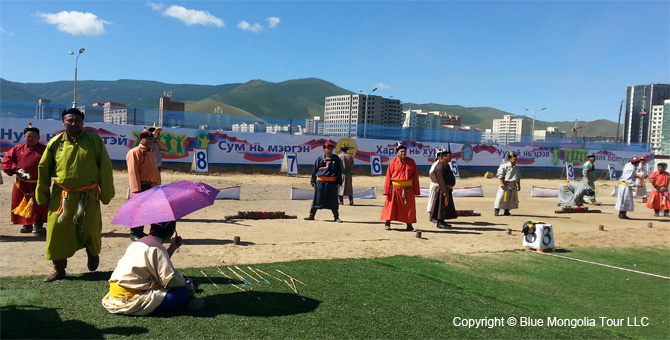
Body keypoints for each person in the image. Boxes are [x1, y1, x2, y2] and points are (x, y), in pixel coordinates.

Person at [35, 108, 115, 282]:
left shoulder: (94, 140)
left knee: (90, 228)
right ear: (63, 122)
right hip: (62, 196)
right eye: (70, 120)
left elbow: (105, 166)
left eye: (77, 120)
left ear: (83, 123)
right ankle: (59, 269)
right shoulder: (56, 142)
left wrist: (106, 192)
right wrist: (42, 194)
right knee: (56, 230)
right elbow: (43, 168)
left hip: (90, 195)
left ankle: (92, 253)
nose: (74, 123)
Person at [102, 221, 197, 315]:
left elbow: (155, 264)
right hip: (130, 301)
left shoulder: (138, 243)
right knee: (183, 292)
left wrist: (172, 247)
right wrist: (186, 284)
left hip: (115, 297)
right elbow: (170, 281)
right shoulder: (157, 248)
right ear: (171, 233)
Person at [1, 123, 48, 234]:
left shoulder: (45, 150)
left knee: (40, 204)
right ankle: (26, 225)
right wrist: (15, 169)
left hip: (39, 183)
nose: (31, 139)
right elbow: (6, 160)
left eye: (33, 137)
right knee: (21, 203)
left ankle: (38, 225)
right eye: (28, 137)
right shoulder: (17, 149)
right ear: (24, 137)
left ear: (39, 138)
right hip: (21, 184)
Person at [127, 131, 161, 241]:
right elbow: (133, 172)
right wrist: (136, 190)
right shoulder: (135, 152)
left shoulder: (150, 152)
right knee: (138, 210)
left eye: (151, 139)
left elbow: (154, 170)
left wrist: (156, 184)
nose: (150, 141)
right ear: (140, 140)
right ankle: (135, 232)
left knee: (146, 210)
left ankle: (141, 231)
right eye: (147, 139)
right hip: (141, 186)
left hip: (150, 186)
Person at [381, 142, 420, 231]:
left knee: (409, 207)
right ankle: (387, 223)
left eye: (405, 151)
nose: (403, 153)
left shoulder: (411, 162)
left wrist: (416, 190)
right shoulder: (393, 162)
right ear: (397, 152)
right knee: (391, 207)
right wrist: (387, 190)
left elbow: (415, 176)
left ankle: (409, 225)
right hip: (395, 189)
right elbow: (388, 176)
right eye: (401, 151)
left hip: (408, 189)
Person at [304, 143, 343, 222]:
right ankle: (311, 215)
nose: (329, 150)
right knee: (317, 199)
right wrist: (313, 181)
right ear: (324, 149)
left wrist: (339, 182)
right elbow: (315, 170)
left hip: (332, 183)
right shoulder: (319, 159)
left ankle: (336, 217)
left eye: (331, 149)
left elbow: (339, 171)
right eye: (328, 149)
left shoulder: (336, 159)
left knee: (333, 200)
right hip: (321, 182)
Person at [430, 147, 457, 228]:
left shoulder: (445, 165)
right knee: (441, 206)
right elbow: (441, 180)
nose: (451, 158)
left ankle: (442, 221)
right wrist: (444, 191)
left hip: (447, 189)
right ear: (444, 157)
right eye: (449, 156)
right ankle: (439, 222)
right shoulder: (439, 167)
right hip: (442, 189)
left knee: (444, 207)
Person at [494, 152, 521, 216]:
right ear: (509, 159)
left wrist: (519, 185)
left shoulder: (516, 168)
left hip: (513, 185)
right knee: (500, 198)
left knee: (510, 199)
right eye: (514, 159)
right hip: (505, 184)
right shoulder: (504, 166)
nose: (515, 161)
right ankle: (496, 211)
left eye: (516, 159)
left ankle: (507, 211)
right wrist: (502, 183)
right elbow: (500, 175)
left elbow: (518, 177)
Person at [426, 147, 443, 221]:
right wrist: (435, 180)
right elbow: (431, 172)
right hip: (435, 184)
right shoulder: (436, 164)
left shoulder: (442, 164)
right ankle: (431, 216)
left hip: (439, 184)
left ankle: (436, 215)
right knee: (433, 200)